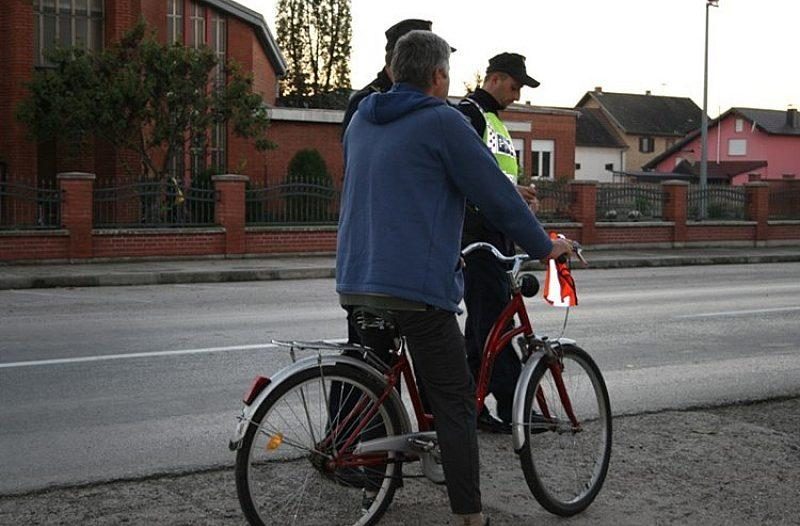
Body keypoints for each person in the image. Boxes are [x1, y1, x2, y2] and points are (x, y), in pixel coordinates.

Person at [337, 31, 572, 526]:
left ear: (396, 69)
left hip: (355, 281)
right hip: (416, 291)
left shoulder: (361, 118)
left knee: (376, 378)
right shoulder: (442, 121)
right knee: (457, 402)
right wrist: (544, 246)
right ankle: (470, 516)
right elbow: (497, 195)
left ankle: (371, 469)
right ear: (439, 75)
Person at [457, 52, 541, 434]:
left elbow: (495, 177)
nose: (518, 92)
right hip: (479, 236)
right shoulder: (470, 113)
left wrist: (517, 192)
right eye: (514, 84)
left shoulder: (497, 124)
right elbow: (468, 173)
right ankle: (513, 405)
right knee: (493, 325)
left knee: (481, 327)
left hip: (497, 232)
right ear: (494, 78)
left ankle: (469, 405)